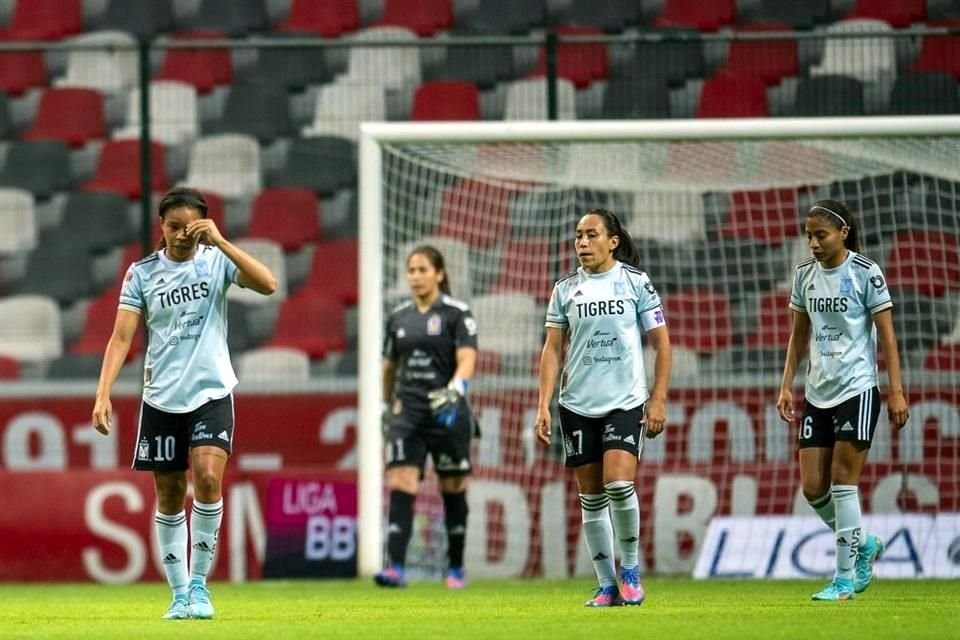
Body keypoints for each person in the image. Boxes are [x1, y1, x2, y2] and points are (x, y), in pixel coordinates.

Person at [92, 187, 277, 620]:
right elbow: (121, 338)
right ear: (161, 227)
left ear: (202, 225)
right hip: (161, 400)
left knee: (209, 478)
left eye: (189, 226)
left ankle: (199, 585)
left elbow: (268, 285)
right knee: (170, 494)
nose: (180, 235)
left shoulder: (216, 263)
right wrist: (103, 393)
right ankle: (178, 596)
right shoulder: (141, 274)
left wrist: (223, 241)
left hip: (211, 392)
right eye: (173, 226)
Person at [534, 209, 672, 607]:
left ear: (613, 241)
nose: (582, 243)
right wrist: (543, 404)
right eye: (578, 236)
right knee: (591, 498)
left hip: (625, 402)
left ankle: (629, 569)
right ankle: (606, 584)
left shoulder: (635, 283)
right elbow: (552, 349)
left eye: (591, 235)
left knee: (618, 484)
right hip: (576, 404)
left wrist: (658, 398)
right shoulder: (565, 289)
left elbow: (662, 344)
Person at [777, 199, 910, 601]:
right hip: (818, 390)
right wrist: (786, 384)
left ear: (843, 233)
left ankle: (844, 579)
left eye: (821, 235)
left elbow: (887, 335)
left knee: (841, 483)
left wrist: (897, 391)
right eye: (809, 236)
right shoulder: (804, 276)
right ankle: (864, 542)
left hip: (858, 388)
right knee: (812, 488)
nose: (813, 243)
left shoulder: (866, 273)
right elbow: (799, 335)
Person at [375, 245, 478, 589]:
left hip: (446, 410)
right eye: (411, 270)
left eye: (422, 270)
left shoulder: (457, 313)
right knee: (400, 480)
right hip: (408, 412)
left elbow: (467, 358)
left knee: (452, 485)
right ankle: (396, 568)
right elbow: (388, 367)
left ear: (439, 273)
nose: (415, 277)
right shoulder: (398, 317)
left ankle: (456, 568)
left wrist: (456, 388)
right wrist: (385, 405)